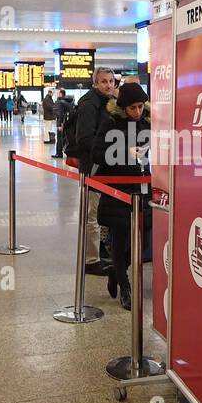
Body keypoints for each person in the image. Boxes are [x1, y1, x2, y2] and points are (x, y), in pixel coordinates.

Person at [93, 82, 151, 320]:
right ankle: (125, 285)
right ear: (122, 107)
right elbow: (97, 153)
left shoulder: (147, 124)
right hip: (117, 189)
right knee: (119, 237)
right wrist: (124, 151)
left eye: (140, 107)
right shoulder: (110, 123)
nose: (137, 112)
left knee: (145, 236)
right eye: (132, 108)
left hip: (141, 187)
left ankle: (116, 272)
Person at [68, 67, 115, 277]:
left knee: (99, 213)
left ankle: (98, 252)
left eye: (111, 81)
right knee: (91, 215)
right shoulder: (90, 104)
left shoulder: (105, 103)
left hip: (103, 167)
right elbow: (85, 138)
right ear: (95, 84)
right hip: (93, 167)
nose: (108, 85)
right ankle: (91, 260)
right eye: (104, 81)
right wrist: (109, 148)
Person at [52, 88, 71, 159]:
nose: (57, 94)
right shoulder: (69, 101)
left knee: (59, 138)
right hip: (68, 122)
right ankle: (69, 152)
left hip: (61, 123)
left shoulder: (59, 102)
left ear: (61, 94)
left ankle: (59, 153)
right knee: (67, 138)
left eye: (58, 93)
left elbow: (60, 114)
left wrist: (59, 124)